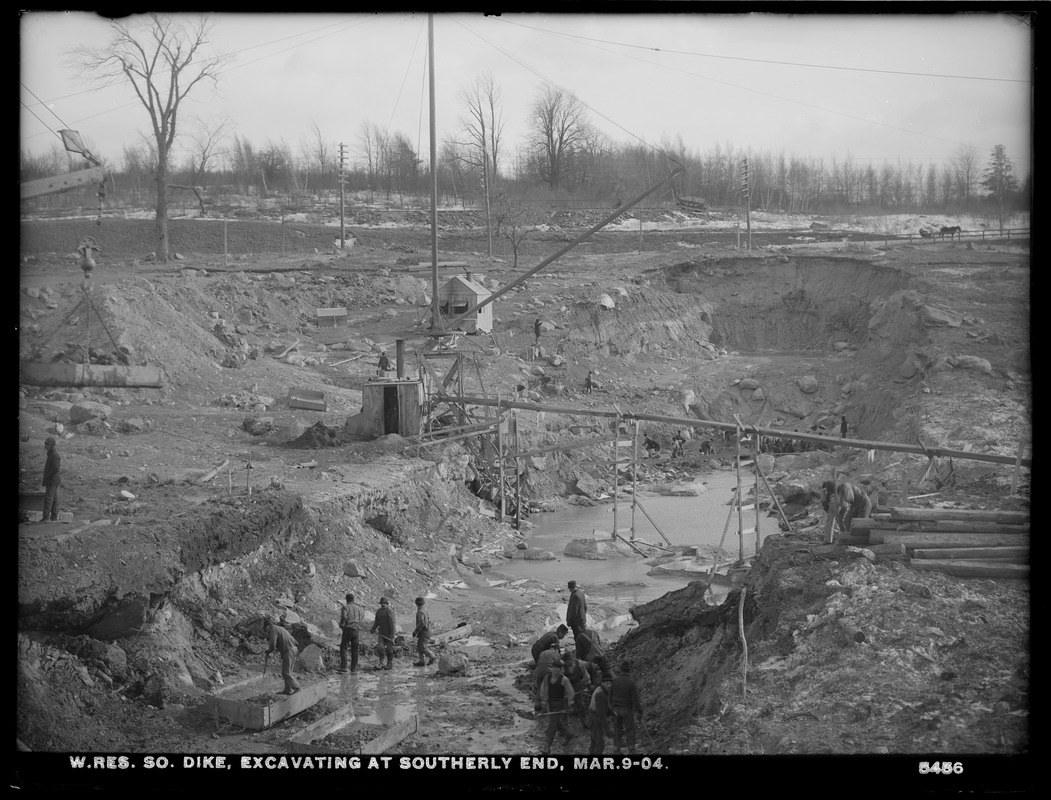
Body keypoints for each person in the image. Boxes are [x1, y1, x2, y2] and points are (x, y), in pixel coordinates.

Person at [535, 659, 575, 755]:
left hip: (559, 705)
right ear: (552, 668)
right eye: (554, 668)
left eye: (558, 668)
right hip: (550, 704)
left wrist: (571, 704)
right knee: (557, 723)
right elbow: (544, 691)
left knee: (552, 725)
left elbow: (570, 692)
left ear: (560, 669)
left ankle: (546, 746)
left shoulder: (564, 679)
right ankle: (568, 734)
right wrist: (543, 704)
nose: (556, 670)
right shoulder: (547, 678)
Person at [610, 661, 643, 754]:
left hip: (616, 709)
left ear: (620, 670)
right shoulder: (631, 682)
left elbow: (610, 695)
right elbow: (635, 699)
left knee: (617, 729)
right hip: (626, 710)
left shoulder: (615, 681)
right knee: (630, 729)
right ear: (629, 671)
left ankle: (616, 748)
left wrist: (611, 708)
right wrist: (639, 711)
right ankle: (631, 749)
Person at [263, 617, 301, 695]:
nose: (267, 632)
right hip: (293, 649)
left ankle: (297, 688)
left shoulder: (273, 630)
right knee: (288, 672)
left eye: (266, 630)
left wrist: (269, 651)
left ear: (267, 626)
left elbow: (273, 643)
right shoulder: (278, 628)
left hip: (289, 650)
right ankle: (288, 690)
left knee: (286, 673)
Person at [562, 651, 592, 727]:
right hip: (566, 687)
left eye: (570, 660)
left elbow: (585, 675)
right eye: (567, 661)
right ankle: (564, 725)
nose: (569, 663)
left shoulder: (580, 664)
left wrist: (589, 685)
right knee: (564, 707)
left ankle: (584, 722)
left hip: (577, 686)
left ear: (573, 659)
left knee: (581, 706)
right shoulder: (562, 667)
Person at [338, 593, 366, 673]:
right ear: (353, 600)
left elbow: (344, 617)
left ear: (346, 600)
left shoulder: (345, 607)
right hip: (356, 630)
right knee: (355, 649)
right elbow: (359, 618)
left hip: (348, 629)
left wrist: (341, 624)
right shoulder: (357, 608)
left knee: (344, 648)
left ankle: (344, 667)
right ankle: (354, 668)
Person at [587, 676, 615, 755]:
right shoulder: (601, 694)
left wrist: (611, 712)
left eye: (610, 683)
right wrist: (608, 730)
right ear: (602, 683)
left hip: (592, 718)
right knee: (599, 744)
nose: (609, 685)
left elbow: (602, 707)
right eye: (607, 683)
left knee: (594, 742)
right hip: (595, 720)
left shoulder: (600, 689)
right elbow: (601, 714)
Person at [370, 596, 397, 670]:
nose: (383, 604)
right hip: (381, 633)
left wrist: (393, 634)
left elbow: (392, 624)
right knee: (380, 647)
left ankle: (389, 663)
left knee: (389, 649)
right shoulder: (379, 611)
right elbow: (376, 621)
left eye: (384, 603)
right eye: (382, 603)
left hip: (389, 633)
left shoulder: (390, 611)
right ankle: (381, 663)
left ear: (387, 604)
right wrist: (373, 628)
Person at [41, 436, 62, 522]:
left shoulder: (54, 455)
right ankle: (54, 517)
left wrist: (47, 477)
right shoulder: (52, 454)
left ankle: (46, 517)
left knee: (48, 498)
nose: (46, 446)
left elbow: (55, 468)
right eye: (45, 444)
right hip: (53, 480)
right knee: (54, 498)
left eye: (47, 444)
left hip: (52, 480)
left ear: (52, 446)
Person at [412, 596, 436, 667]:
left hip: (424, 631)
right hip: (426, 630)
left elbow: (421, 622)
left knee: (422, 647)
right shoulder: (424, 609)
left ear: (416, 604)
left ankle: (432, 656)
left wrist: (416, 631)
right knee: (419, 645)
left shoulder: (420, 611)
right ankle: (421, 660)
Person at [566, 581, 588, 659]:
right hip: (582, 620)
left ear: (570, 588)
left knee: (578, 639)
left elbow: (573, 611)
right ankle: (584, 653)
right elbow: (585, 607)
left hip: (577, 622)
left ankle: (580, 656)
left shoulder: (574, 596)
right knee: (583, 637)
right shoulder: (581, 593)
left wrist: (569, 621)